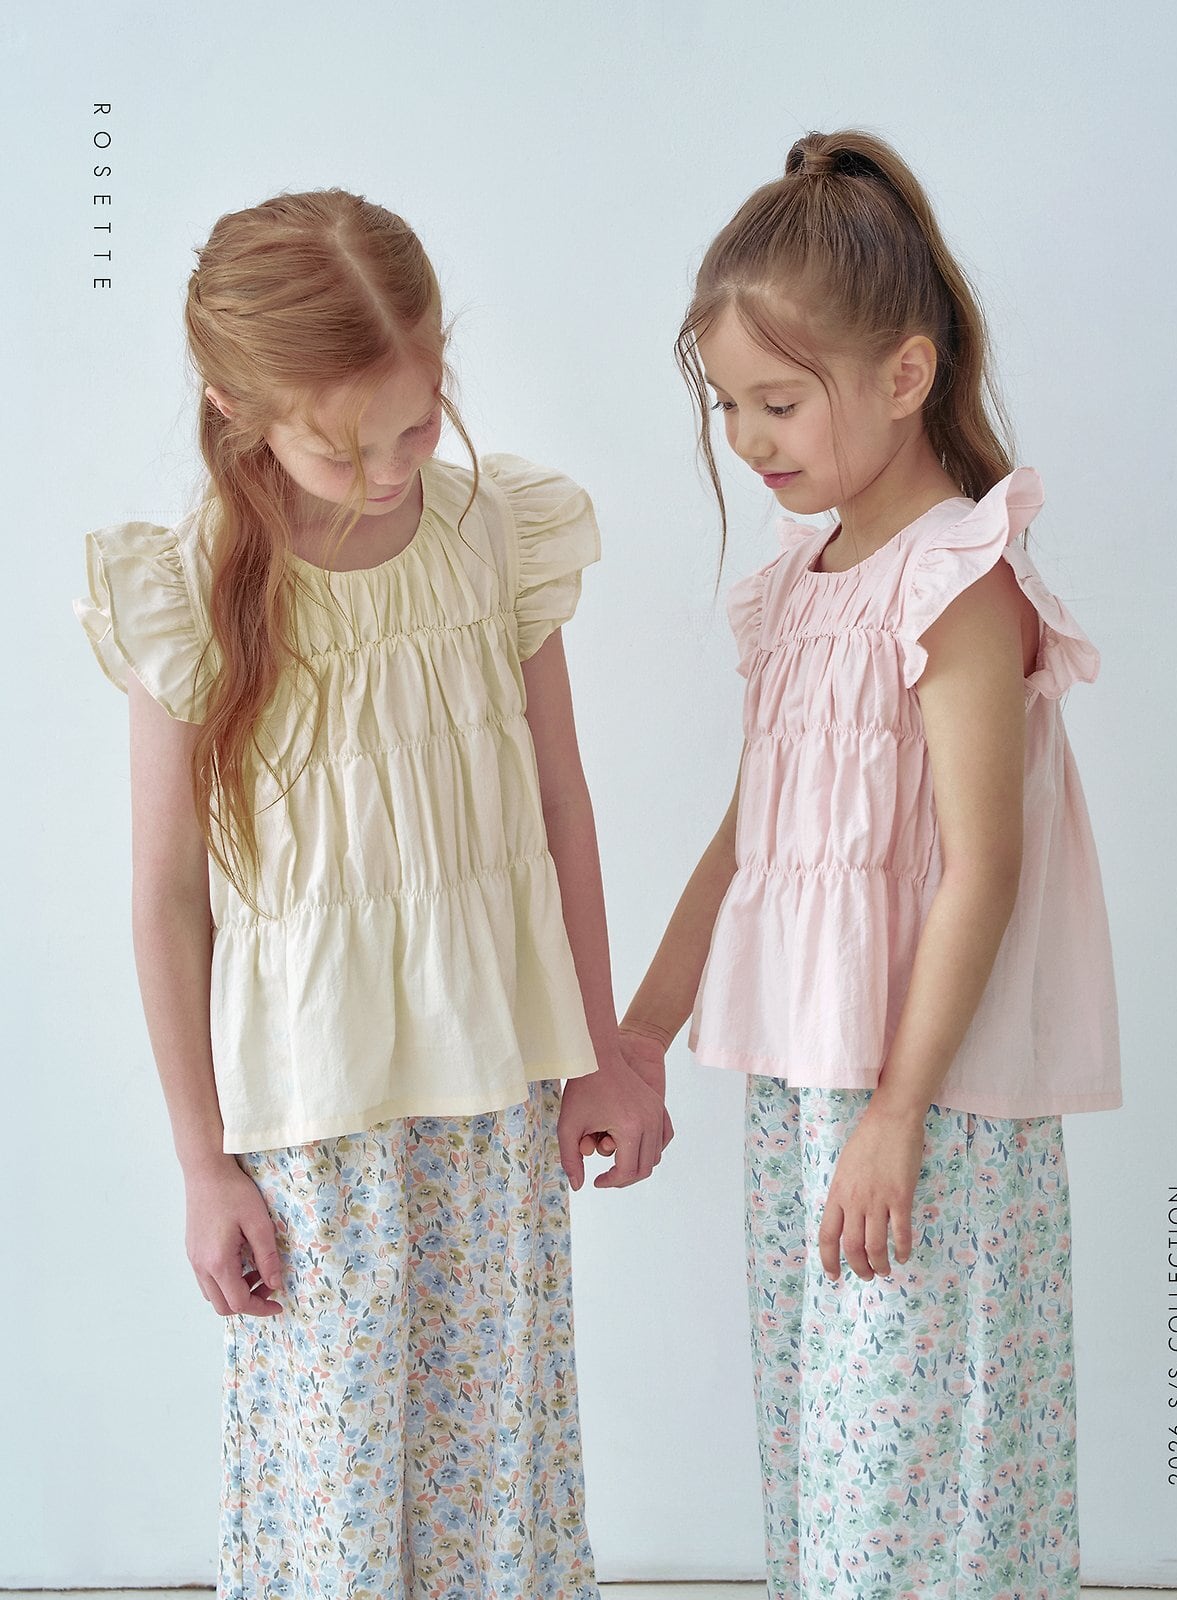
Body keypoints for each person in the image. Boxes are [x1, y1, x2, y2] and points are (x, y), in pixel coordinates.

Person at [75, 188, 669, 1600]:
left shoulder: (493, 537)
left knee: (497, 1481)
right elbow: (165, 899)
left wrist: (599, 1049)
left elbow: (560, 805)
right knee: (331, 1495)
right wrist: (202, 1164)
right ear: (235, 409)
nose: (395, 468)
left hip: (496, 1094)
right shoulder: (191, 590)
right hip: (308, 1123)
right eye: (345, 447)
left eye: (418, 422)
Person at [617, 130, 1121, 1597]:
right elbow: (751, 838)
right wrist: (642, 1034)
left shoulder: (957, 580)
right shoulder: (799, 588)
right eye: (727, 406)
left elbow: (984, 868)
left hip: (928, 1099)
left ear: (905, 376)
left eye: (779, 402)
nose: (748, 438)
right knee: (831, 1462)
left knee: (920, 1466)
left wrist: (897, 1114)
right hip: (808, 1092)